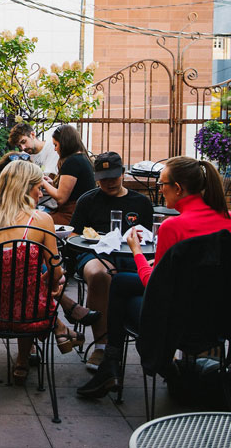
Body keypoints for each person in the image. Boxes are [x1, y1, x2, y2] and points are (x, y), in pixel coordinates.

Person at [77, 156, 231, 398]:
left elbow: (153, 285)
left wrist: (136, 252)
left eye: (162, 184)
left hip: (177, 321)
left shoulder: (174, 227)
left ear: (177, 188)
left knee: (121, 287)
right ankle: (126, 366)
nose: (160, 190)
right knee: (122, 281)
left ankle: (116, 364)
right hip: (219, 317)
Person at [0, 160, 84, 384]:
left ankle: (54, 336)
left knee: (23, 289)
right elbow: (55, 270)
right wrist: (51, 285)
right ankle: (30, 353)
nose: (41, 193)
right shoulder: (41, 220)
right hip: (30, 315)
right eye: (39, 187)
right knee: (34, 294)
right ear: (25, 187)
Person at [66, 151, 154, 371]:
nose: (109, 182)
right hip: (93, 254)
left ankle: (149, 340)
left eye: (113, 177)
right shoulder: (88, 200)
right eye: (103, 178)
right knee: (100, 274)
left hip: (130, 255)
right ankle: (102, 346)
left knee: (131, 278)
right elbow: (73, 236)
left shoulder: (141, 202)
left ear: (123, 174)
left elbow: (149, 238)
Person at [41, 124, 94, 225]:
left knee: (36, 222)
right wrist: (51, 183)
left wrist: (42, 182)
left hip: (72, 217)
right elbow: (75, 190)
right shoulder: (82, 158)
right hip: (84, 214)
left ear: (64, 144)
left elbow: (61, 198)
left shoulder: (72, 162)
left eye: (56, 145)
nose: (55, 149)